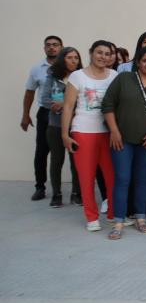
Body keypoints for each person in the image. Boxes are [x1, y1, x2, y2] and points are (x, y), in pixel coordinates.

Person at [102, 46, 146, 240]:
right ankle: (118, 221)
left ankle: (141, 218)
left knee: (142, 179)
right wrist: (114, 131)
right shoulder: (124, 79)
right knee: (123, 179)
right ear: (138, 62)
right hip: (122, 139)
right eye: (145, 61)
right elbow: (107, 104)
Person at [61, 41, 117, 231]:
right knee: (86, 177)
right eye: (99, 52)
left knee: (113, 177)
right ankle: (91, 217)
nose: (103, 56)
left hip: (108, 134)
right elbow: (68, 107)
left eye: (107, 53)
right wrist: (65, 134)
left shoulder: (114, 76)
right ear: (91, 53)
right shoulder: (78, 76)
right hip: (83, 132)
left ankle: (112, 214)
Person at [22, 35, 63, 201]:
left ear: (61, 47)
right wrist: (25, 115)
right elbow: (30, 92)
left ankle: (76, 190)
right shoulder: (37, 68)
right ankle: (40, 187)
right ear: (44, 48)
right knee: (42, 151)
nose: (52, 48)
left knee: (69, 152)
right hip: (46, 114)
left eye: (55, 45)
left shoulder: (69, 65)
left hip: (67, 113)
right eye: (48, 45)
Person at [43, 47, 82, 207]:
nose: (73, 61)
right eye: (69, 57)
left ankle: (76, 193)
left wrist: (66, 104)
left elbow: (85, 101)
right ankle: (57, 194)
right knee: (56, 160)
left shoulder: (81, 77)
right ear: (62, 59)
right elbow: (44, 99)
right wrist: (63, 105)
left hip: (76, 126)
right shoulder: (52, 77)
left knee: (76, 162)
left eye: (76, 58)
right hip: (55, 126)